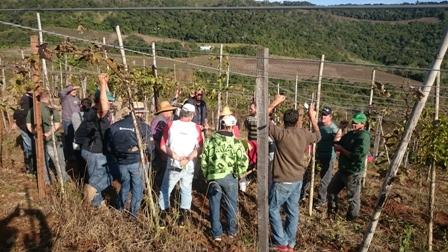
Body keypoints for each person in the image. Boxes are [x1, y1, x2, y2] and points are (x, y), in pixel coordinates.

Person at [268, 95, 321, 252]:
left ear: (284, 121)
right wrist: (312, 118)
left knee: (272, 209)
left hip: (283, 180)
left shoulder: (281, 134)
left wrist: (274, 103)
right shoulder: (304, 134)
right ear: (298, 121)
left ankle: (282, 242)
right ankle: (290, 243)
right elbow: (318, 136)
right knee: (292, 211)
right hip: (298, 179)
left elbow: (262, 118)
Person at [201, 115, 248, 241]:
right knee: (231, 204)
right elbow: (243, 161)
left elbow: (204, 159)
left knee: (214, 204)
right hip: (229, 177)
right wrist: (238, 172)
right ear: (231, 127)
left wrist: (207, 176)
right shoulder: (236, 142)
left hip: (213, 177)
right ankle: (231, 231)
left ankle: (216, 233)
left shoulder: (210, 140)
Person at [158, 103, 203, 228]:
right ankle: (183, 218)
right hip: (188, 165)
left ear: (181, 112)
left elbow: (162, 146)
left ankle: (162, 216)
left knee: (166, 188)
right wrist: (188, 158)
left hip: (173, 163)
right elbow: (199, 148)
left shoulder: (171, 125)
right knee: (186, 189)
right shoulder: (196, 127)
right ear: (193, 114)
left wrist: (176, 157)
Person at [74, 73, 115, 207]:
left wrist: (105, 84)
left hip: (89, 149)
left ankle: (98, 203)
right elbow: (104, 103)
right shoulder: (99, 112)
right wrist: (102, 84)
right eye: (108, 101)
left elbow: (103, 99)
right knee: (100, 179)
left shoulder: (92, 111)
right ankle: (88, 202)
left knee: (98, 176)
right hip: (96, 152)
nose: (110, 103)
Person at [109, 102, 152, 218]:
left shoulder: (115, 126)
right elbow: (150, 147)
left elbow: (109, 146)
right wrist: (150, 158)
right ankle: (133, 214)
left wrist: (117, 157)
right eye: (142, 113)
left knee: (125, 185)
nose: (142, 115)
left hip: (121, 163)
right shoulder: (143, 127)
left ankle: (120, 209)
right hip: (137, 163)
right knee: (138, 188)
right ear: (138, 113)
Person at [327, 112, 371, 221]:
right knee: (331, 190)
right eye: (353, 122)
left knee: (353, 198)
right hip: (343, 170)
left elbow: (357, 156)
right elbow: (337, 142)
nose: (353, 124)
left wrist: (341, 150)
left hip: (353, 172)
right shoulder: (351, 134)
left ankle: (351, 219)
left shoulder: (363, 137)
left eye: (356, 123)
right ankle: (332, 213)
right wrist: (341, 129)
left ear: (363, 124)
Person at [26, 90, 70, 184]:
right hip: (52, 139)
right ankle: (63, 180)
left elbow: (28, 124)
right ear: (48, 97)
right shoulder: (51, 109)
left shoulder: (33, 109)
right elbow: (57, 125)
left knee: (43, 160)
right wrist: (48, 134)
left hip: (39, 140)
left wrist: (35, 133)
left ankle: (46, 180)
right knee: (59, 161)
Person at [301, 106, 341, 207]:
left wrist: (340, 132)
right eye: (322, 114)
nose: (323, 116)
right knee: (308, 175)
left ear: (330, 116)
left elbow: (337, 142)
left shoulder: (334, 129)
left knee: (325, 180)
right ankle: (302, 194)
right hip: (317, 155)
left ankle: (321, 200)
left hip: (328, 157)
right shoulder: (318, 125)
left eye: (325, 115)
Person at [150, 100, 177, 189]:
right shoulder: (159, 121)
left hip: (161, 150)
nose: (171, 112)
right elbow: (154, 139)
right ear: (165, 111)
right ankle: (156, 190)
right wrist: (162, 153)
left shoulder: (164, 120)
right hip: (158, 152)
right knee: (159, 173)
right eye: (169, 110)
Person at [13, 88, 34, 173]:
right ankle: (30, 167)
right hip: (25, 126)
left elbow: (17, 112)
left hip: (27, 126)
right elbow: (19, 112)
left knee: (29, 146)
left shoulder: (28, 98)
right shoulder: (26, 99)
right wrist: (16, 122)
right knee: (29, 147)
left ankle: (30, 167)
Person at [59, 85, 80, 161]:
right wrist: (72, 87)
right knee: (68, 138)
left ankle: (75, 153)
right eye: (73, 90)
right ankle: (69, 156)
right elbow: (61, 92)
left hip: (76, 121)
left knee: (76, 138)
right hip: (68, 121)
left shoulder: (77, 98)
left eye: (75, 90)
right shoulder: (65, 97)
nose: (75, 91)